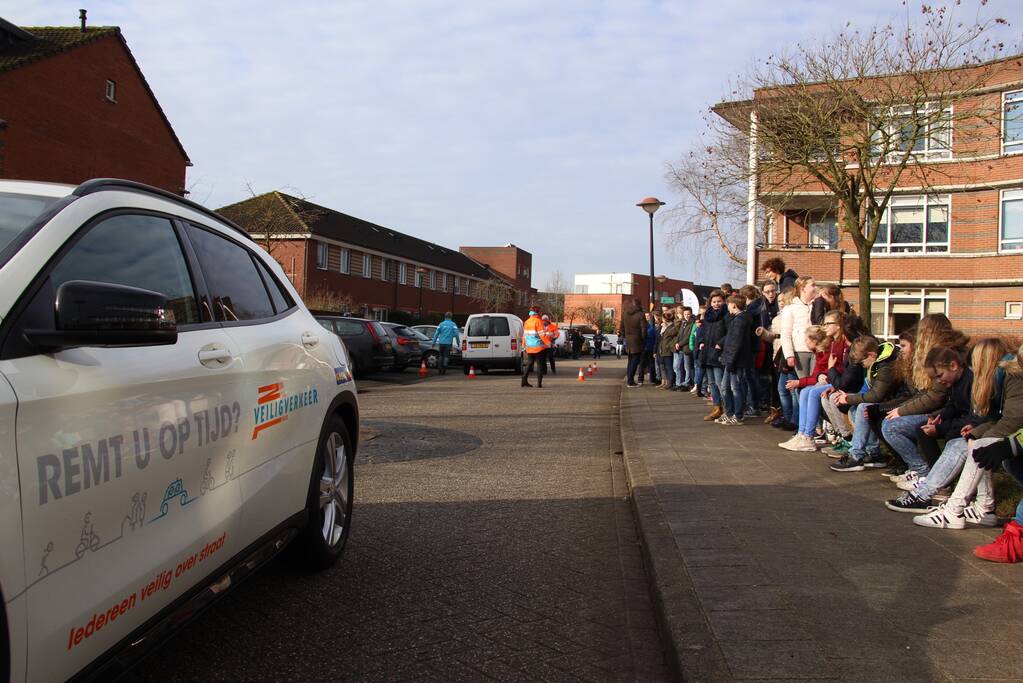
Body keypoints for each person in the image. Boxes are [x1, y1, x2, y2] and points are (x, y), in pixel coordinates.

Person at [885, 339, 1011, 513]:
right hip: (986, 428)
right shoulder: (985, 381)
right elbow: (975, 413)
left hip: (1000, 433)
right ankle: (983, 507)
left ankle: (932, 497)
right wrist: (941, 417)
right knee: (970, 441)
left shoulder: (994, 382)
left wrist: (960, 430)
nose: (973, 369)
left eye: (976, 364)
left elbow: (995, 417)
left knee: (966, 443)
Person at [912, 344, 1023, 533]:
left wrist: (982, 438)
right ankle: (983, 508)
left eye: (973, 366)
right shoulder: (1003, 379)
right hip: (1009, 435)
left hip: (1013, 435)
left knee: (979, 446)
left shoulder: (1012, 378)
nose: (972, 371)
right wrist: (977, 433)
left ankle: (951, 508)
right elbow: (999, 418)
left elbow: (1013, 420)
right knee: (979, 444)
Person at [829, 334, 906, 472]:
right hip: (889, 398)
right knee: (855, 408)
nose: (862, 365)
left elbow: (876, 396)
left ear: (870, 354)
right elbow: (871, 389)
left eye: (862, 362)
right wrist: (850, 397)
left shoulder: (886, 365)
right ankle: (873, 453)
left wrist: (848, 398)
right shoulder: (878, 360)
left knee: (863, 407)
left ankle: (856, 455)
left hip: (900, 400)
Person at [778, 325, 833, 451]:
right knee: (805, 391)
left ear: (814, 341)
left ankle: (808, 436)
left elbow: (832, 372)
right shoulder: (819, 353)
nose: (805, 343)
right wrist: (800, 382)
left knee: (812, 392)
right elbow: (816, 375)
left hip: (833, 383)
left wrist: (799, 382)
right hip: (826, 381)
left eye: (806, 340)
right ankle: (802, 433)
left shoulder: (827, 351)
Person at [718, 294, 754, 425]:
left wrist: (731, 361)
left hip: (736, 360)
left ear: (733, 305)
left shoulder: (740, 321)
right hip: (731, 359)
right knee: (725, 387)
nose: (727, 306)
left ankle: (738, 415)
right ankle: (729, 412)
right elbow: (730, 339)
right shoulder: (736, 319)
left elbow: (736, 343)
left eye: (728, 304)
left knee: (735, 388)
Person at [699, 291, 728, 421]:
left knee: (720, 382)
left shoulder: (726, 315)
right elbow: (703, 332)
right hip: (707, 352)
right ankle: (717, 407)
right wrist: (700, 342)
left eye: (719, 301)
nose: (716, 304)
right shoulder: (707, 316)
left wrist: (720, 343)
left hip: (718, 352)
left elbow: (729, 332)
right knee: (711, 383)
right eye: (714, 301)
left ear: (724, 302)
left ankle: (727, 408)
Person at [621, 298, 646, 387]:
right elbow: (643, 329)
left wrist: (624, 337)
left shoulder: (625, 314)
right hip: (637, 340)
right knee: (635, 362)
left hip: (628, 340)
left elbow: (622, 327)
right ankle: (630, 382)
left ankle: (629, 380)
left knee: (630, 361)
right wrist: (644, 340)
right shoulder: (640, 314)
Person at [521, 309, 549, 388]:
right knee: (539, 364)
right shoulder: (538, 321)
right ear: (537, 312)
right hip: (538, 347)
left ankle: (524, 380)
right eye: (540, 312)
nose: (541, 313)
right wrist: (548, 343)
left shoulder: (527, 322)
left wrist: (523, 346)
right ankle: (539, 383)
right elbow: (542, 335)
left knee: (529, 363)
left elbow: (525, 335)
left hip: (529, 347)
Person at [658, 309, 680, 389]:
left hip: (668, 350)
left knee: (669, 367)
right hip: (663, 350)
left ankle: (670, 383)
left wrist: (669, 346)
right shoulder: (665, 327)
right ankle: (667, 382)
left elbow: (674, 334)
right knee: (666, 367)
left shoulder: (671, 327)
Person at [675, 306, 696, 390]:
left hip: (686, 348)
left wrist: (679, 343)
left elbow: (688, 337)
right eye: (685, 314)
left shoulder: (692, 323)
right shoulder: (683, 323)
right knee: (681, 366)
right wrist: (677, 342)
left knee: (688, 367)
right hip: (681, 347)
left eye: (688, 314)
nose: (687, 315)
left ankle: (687, 382)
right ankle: (684, 382)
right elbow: (679, 334)